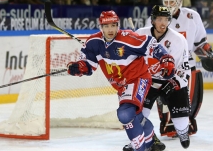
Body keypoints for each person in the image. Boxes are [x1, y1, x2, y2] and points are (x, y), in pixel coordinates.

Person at [67, 10, 176, 151]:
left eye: (113, 25)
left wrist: (166, 59)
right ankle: (150, 142)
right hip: (121, 85)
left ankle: (139, 148)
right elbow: (88, 66)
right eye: (106, 26)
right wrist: (79, 68)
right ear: (101, 27)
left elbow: (152, 45)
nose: (110, 29)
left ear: (118, 25)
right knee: (136, 116)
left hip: (138, 78)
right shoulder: (93, 42)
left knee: (125, 114)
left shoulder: (128, 38)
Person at [146, 0, 213, 137]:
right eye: (166, 2)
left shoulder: (192, 16)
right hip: (163, 66)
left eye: (171, 2)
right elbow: (148, 42)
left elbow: (200, 42)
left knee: (186, 97)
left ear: (179, 3)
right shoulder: (155, 17)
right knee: (164, 98)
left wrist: (208, 54)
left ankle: (185, 124)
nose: (168, 5)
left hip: (186, 63)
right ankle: (168, 125)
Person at [126, 5, 191, 150]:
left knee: (181, 121)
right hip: (148, 80)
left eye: (166, 19)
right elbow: (129, 59)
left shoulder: (178, 39)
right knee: (138, 113)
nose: (163, 23)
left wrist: (175, 82)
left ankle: (183, 132)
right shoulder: (141, 34)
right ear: (153, 20)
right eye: (160, 19)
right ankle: (138, 140)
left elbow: (184, 67)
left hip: (172, 80)